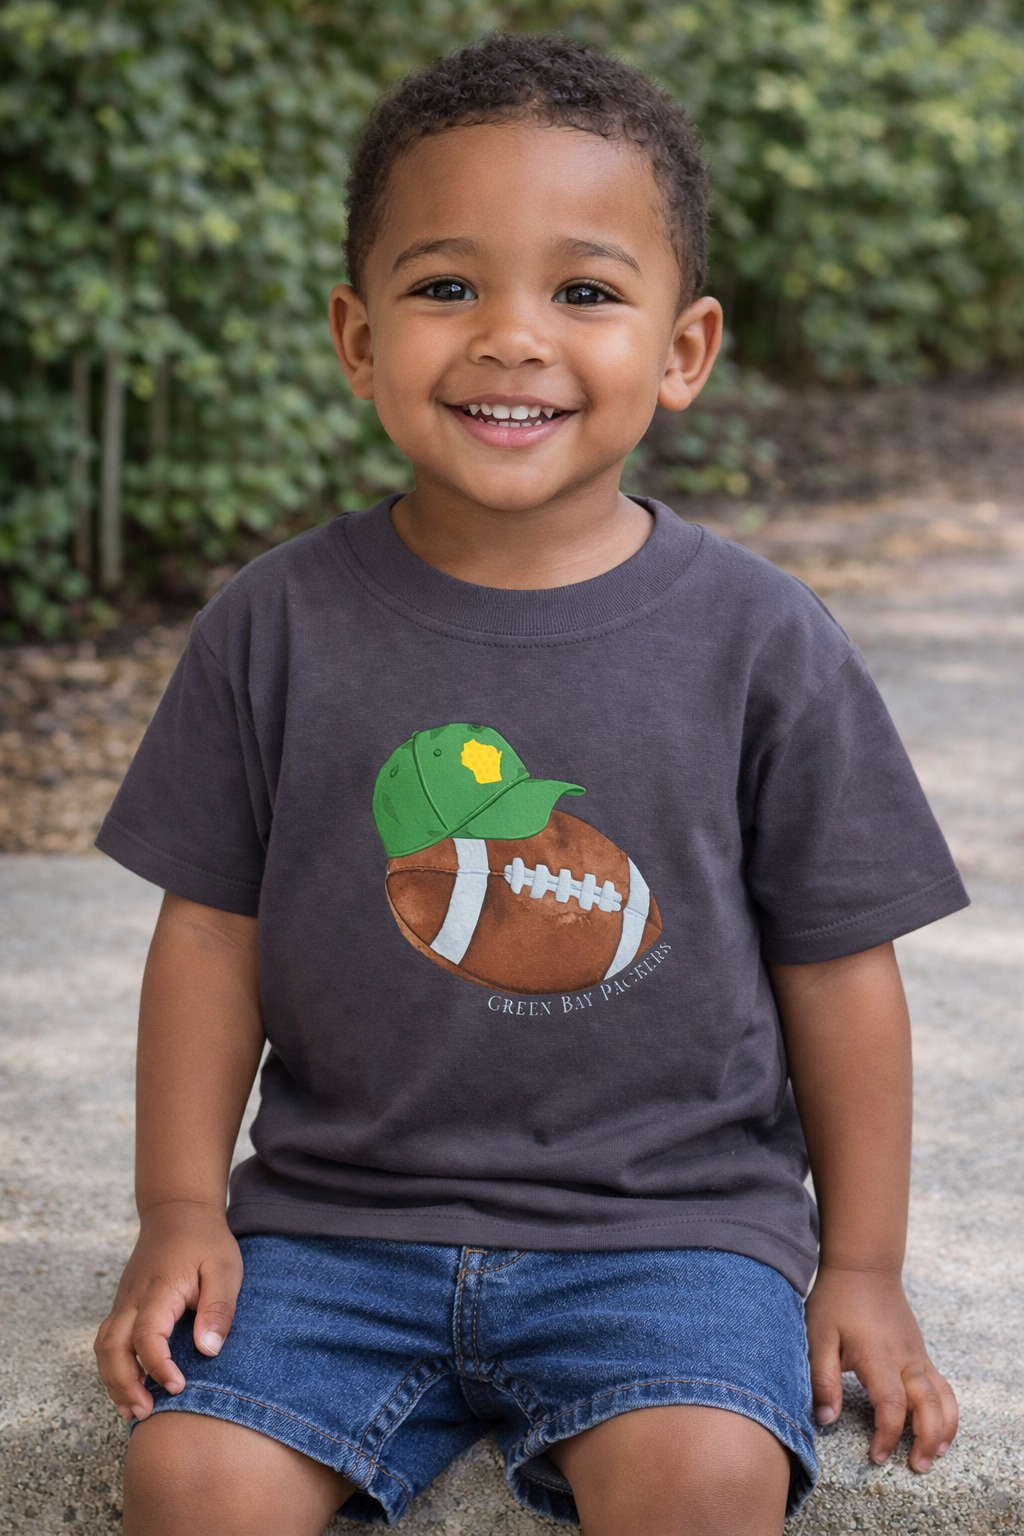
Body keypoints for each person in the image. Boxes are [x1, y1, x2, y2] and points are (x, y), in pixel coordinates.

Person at [93, 33, 965, 1536]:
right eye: (445, 287)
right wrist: (181, 1211)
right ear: (357, 339)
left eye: (583, 291)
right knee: (189, 1477)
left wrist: (862, 1268)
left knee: (704, 1478)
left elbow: (840, 967)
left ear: (683, 350)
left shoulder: (762, 639)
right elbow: (211, 934)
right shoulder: (274, 624)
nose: (510, 337)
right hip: (333, 1228)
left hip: (671, 1235)